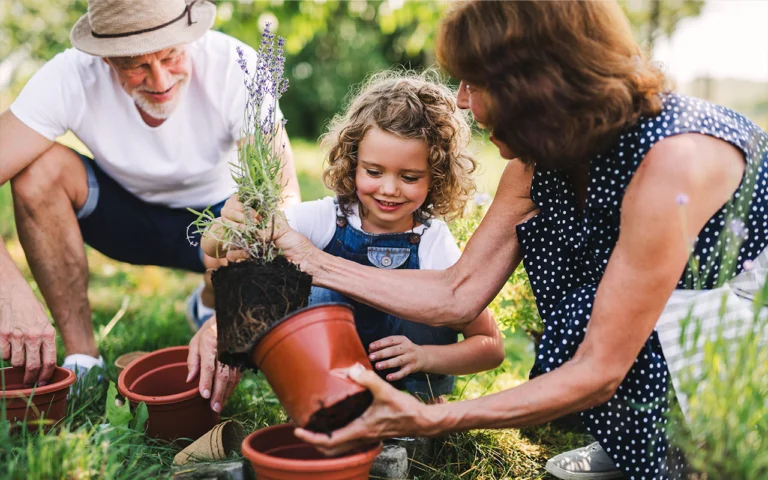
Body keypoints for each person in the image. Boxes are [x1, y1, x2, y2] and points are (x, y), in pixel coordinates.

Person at [197, 2, 768, 479]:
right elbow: (458, 292)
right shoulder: (545, 149)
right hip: (658, 305)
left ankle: (685, 446)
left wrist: (436, 418)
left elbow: (599, 367)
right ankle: (635, 445)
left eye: (476, 82)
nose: (463, 101)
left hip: (737, 323)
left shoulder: (674, 162)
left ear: (535, 85)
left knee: (678, 418)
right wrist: (231, 318)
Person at [0, 0, 299, 396]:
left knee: (251, 219)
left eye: (171, 55)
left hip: (215, 225)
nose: (159, 80)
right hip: (122, 218)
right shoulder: (70, 75)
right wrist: (9, 291)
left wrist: (231, 315)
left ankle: (209, 301)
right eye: (135, 65)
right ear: (105, 59)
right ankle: (84, 361)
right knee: (37, 173)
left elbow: (283, 201)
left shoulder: (234, 66)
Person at [196, 72, 505, 405]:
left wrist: (426, 357)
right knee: (314, 287)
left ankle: (423, 402)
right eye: (374, 172)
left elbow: (490, 347)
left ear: (437, 176)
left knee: (432, 299)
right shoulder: (326, 219)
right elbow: (216, 249)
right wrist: (227, 224)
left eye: (410, 176)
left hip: (408, 387)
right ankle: (323, 397)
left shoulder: (432, 241)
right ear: (353, 163)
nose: (389, 189)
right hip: (328, 382)